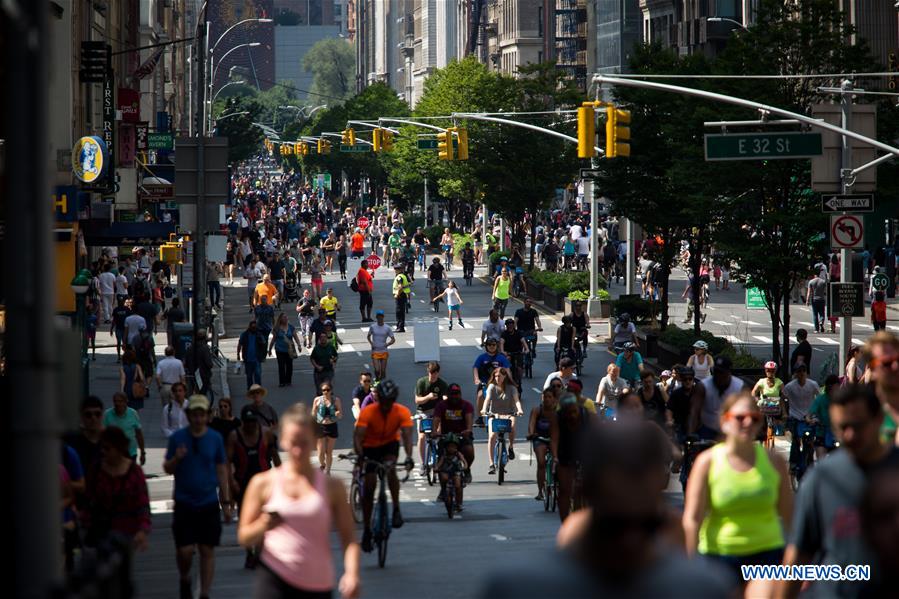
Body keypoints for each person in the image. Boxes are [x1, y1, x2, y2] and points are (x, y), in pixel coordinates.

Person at [778, 385, 899, 598]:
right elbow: (799, 554)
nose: (850, 435)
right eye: (842, 428)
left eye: (858, 426)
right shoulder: (820, 479)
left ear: (879, 419)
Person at [237, 403, 361, 599]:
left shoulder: (333, 486)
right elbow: (244, 536)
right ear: (283, 441)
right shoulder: (263, 483)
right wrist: (263, 524)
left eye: (303, 443)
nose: (297, 451)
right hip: (273, 580)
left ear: (314, 441)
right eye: (293, 442)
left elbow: (349, 539)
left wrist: (352, 574)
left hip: (317, 583)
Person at [682, 391, 792, 590]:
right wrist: (689, 567)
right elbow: (692, 519)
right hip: (719, 556)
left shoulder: (774, 462)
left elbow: (791, 518)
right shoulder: (706, 463)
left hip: (767, 554)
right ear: (724, 422)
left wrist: (798, 565)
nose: (748, 423)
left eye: (755, 418)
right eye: (740, 418)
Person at [163, 395, 232, 599]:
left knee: (206, 549)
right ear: (188, 415)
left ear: (207, 416)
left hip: (208, 503)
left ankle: (204, 593)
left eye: (202, 415)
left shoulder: (215, 438)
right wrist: (177, 458)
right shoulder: (177, 438)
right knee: (184, 552)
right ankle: (184, 577)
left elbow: (222, 471)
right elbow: (167, 468)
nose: (199, 419)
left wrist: (226, 503)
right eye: (195, 415)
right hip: (184, 503)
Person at [353, 380, 415, 553]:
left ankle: (395, 509)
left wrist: (409, 457)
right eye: (384, 400)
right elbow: (358, 437)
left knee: (391, 469)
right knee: (370, 485)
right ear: (378, 398)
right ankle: (366, 530)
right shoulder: (368, 412)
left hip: (389, 445)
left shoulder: (402, 411)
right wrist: (360, 456)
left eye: (390, 401)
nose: (387, 405)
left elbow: (408, 436)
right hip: (370, 446)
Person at [227, 405, 280, 570]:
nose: (250, 425)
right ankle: (249, 551)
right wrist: (231, 482)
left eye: (253, 422)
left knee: (265, 517)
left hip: (265, 484)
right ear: (242, 423)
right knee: (245, 519)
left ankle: (259, 553)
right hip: (242, 483)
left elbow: (275, 456)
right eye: (247, 422)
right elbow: (227, 463)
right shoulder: (234, 437)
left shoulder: (266, 434)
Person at [82, 426, 152, 551]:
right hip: (100, 535)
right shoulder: (96, 470)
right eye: (102, 448)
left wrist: (142, 529)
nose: (103, 452)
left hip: (126, 535)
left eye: (107, 448)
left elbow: (143, 504)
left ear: (119, 448)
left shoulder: (134, 471)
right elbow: (88, 502)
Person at [551, 394, 592, 522]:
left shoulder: (585, 415)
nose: (572, 415)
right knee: (565, 490)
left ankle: (583, 516)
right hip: (565, 451)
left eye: (574, 411)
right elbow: (554, 439)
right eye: (569, 412)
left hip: (583, 450)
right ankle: (565, 523)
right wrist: (555, 457)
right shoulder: (557, 418)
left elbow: (595, 434)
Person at [690, 356, 746, 440]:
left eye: (722, 372)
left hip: (732, 430)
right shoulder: (702, 386)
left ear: (729, 372)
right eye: (716, 372)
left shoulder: (740, 387)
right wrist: (690, 433)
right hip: (707, 430)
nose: (718, 376)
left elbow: (747, 411)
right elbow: (694, 411)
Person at [482, 367, 524, 474]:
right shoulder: (491, 387)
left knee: (513, 425)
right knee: (492, 436)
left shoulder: (512, 388)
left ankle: (510, 447)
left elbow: (517, 400)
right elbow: (487, 400)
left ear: (505, 377)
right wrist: (484, 409)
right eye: (495, 376)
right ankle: (491, 464)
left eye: (499, 376)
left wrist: (519, 410)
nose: (497, 378)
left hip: (508, 414)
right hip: (494, 415)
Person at [783, 364, 821, 475]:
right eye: (799, 371)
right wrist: (785, 413)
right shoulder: (790, 386)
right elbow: (783, 398)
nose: (801, 373)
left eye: (803, 371)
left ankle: (810, 462)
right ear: (795, 373)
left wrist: (818, 414)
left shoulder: (813, 385)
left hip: (809, 418)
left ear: (807, 373)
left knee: (809, 441)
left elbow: (819, 399)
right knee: (795, 440)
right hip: (795, 417)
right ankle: (793, 464)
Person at [433, 383, 476, 477]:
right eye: (452, 394)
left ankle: (467, 469)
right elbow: (436, 418)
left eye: (456, 393)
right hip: (446, 436)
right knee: (440, 455)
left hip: (462, 435)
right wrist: (434, 431)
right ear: (448, 394)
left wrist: (468, 430)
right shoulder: (441, 405)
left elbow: (469, 419)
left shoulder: (466, 405)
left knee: (469, 450)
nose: (454, 396)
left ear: (460, 394)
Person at [413, 362, 448, 471]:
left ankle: (440, 457)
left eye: (435, 373)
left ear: (438, 373)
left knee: (440, 433)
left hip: (437, 412)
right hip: (422, 412)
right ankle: (424, 463)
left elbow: (446, 397)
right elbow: (417, 400)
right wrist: (428, 397)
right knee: (422, 437)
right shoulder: (421, 382)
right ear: (428, 372)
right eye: (431, 373)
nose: (432, 375)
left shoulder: (442, 384)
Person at [472, 339, 512, 426]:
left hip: (499, 383)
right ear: (486, 346)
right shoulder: (481, 357)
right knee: (480, 396)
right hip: (484, 383)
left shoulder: (501, 358)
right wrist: (476, 379)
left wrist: (509, 380)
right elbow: (475, 368)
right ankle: (479, 418)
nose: (491, 346)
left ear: (496, 346)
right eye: (489, 345)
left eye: (493, 345)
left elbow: (507, 370)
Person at [527, 389, 558, 501]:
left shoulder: (558, 411)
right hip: (540, 439)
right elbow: (531, 424)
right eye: (545, 397)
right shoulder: (537, 410)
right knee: (541, 463)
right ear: (542, 398)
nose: (547, 399)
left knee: (559, 460)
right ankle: (541, 491)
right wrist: (531, 434)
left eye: (550, 397)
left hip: (555, 440)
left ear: (554, 399)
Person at [103, 392, 146, 465]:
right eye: (115, 401)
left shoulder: (133, 413)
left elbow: (139, 434)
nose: (117, 404)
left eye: (120, 401)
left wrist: (142, 452)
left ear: (126, 402)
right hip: (113, 454)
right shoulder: (107, 414)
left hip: (130, 453)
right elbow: (103, 434)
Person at [752, 361, 786, 447]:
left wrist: (785, 394)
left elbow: (784, 393)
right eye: (768, 370)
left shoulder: (779, 382)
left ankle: (778, 426)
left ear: (775, 371)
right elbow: (753, 392)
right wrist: (755, 398)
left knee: (782, 401)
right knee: (760, 423)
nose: (770, 372)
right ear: (765, 371)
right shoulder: (761, 381)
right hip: (763, 406)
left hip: (775, 407)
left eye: (772, 370)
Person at [312, 383, 343, 475]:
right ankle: (323, 464)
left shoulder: (336, 400)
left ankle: (328, 471)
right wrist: (314, 412)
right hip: (320, 426)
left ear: (331, 390)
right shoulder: (317, 400)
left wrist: (338, 414)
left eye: (328, 390)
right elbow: (313, 414)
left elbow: (341, 415)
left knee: (329, 452)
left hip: (332, 426)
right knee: (321, 452)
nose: (326, 392)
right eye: (323, 390)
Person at [809, 375, 841, 459]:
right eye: (834, 387)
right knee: (821, 459)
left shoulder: (841, 400)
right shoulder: (820, 399)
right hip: (821, 433)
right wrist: (810, 420)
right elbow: (811, 413)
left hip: (836, 435)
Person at [435, 434, 468, 512]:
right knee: (444, 478)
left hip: (456, 471)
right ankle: (443, 492)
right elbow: (439, 464)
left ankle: (459, 503)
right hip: (446, 471)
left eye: (453, 447)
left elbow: (464, 462)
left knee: (458, 485)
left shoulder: (458, 454)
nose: (451, 449)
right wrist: (436, 468)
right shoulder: (444, 456)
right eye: (449, 447)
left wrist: (465, 467)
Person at [268, 313, 301, 388]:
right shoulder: (277, 328)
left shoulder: (291, 327)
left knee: (289, 366)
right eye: (284, 317)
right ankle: (282, 382)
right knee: (281, 366)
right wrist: (269, 349)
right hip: (280, 350)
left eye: (286, 317)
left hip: (290, 350)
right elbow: (273, 340)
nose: (285, 319)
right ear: (280, 319)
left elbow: (295, 337)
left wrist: (299, 345)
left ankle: (288, 381)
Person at [366, 310, 395, 380]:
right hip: (375, 351)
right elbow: (368, 336)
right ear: (376, 317)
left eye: (381, 316)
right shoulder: (373, 327)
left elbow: (393, 339)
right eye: (378, 316)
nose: (380, 318)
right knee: (377, 370)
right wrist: (371, 343)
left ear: (383, 317)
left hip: (384, 351)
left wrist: (387, 344)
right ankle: (377, 380)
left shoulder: (387, 328)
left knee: (383, 371)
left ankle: (382, 383)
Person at [237, 320, 267, 389]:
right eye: (252, 327)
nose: (254, 328)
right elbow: (240, 344)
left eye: (255, 327)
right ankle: (250, 389)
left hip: (257, 359)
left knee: (258, 375)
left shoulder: (259, 335)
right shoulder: (244, 335)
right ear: (249, 327)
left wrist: (263, 355)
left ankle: (258, 389)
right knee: (249, 376)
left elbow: (264, 344)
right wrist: (238, 354)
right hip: (248, 359)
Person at [110, 296, 130, 361]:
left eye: (122, 301)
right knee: (119, 342)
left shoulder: (127, 309)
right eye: (119, 301)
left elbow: (129, 318)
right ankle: (119, 356)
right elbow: (114, 320)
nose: (121, 302)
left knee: (125, 343)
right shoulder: (116, 309)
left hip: (125, 329)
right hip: (118, 328)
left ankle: (125, 355)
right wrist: (111, 328)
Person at [392, 264, 410, 332]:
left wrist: (397, 294)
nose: (395, 271)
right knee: (401, 312)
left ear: (399, 270)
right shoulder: (402, 276)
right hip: (403, 295)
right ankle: (400, 327)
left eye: (396, 270)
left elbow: (400, 286)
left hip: (400, 296)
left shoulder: (399, 277)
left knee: (399, 312)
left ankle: (400, 327)